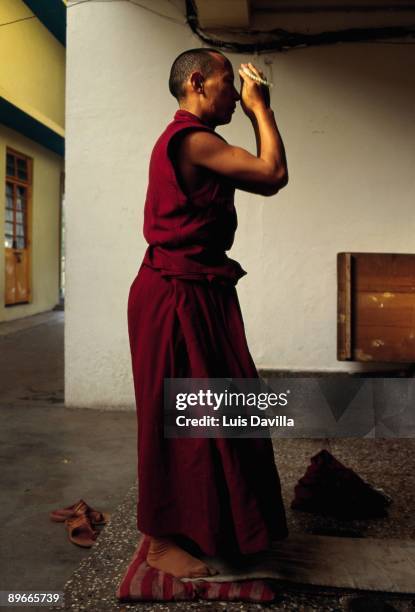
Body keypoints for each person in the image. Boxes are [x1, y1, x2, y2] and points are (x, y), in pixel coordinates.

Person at [127, 48, 288, 579]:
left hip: (198, 289)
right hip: (174, 296)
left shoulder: (197, 139)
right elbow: (271, 173)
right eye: (228, 82)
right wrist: (260, 108)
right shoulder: (191, 139)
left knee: (219, 411)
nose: (235, 93)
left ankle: (221, 527)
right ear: (197, 82)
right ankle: (160, 540)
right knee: (177, 421)